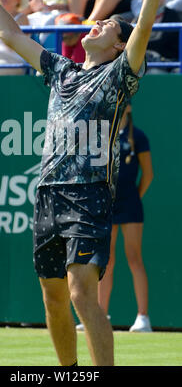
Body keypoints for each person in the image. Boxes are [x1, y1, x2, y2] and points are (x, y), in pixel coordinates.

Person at [0, 0, 175, 366]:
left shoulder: (118, 74)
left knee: (79, 291)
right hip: (48, 195)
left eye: (108, 24)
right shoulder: (61, 70)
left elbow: (144, 22)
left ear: (119, 46)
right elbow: (11, 36)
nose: (98, 25)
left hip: (90, 196)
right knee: (54, 299)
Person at [97, 104, 154, 332]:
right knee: (105, 261)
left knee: (134, 258)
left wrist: (133, 198)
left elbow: (148, 175)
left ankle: (143, 318)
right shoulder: (102, 136)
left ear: (129, 107)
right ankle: (100, 316)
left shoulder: (138, 136)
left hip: (130, 205)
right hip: (107, 205)